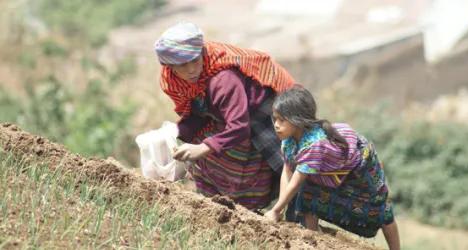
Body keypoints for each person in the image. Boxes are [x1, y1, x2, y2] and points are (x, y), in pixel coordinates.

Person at [154, 21, 295, 210]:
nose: (191, 69)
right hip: (233, 115)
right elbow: (200, 113)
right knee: (208, 149)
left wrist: (204, 147)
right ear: (170, 66)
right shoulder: (176, 81)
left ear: (202, 54)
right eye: (182, 65)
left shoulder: (222, 79)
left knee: (290, 168)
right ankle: (219, 206)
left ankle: (255, 211)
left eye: (195, 61)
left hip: (264, 110)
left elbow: (238, 127)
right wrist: (174, 131)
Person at [263, 86, 400, 250]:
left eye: (282, 120)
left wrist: (275, 211)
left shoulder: (314, 145)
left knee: (381, 208)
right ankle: (311, 241)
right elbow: (287, 171)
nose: (276, 125)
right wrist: (280, 207)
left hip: (361, 164)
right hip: (330, 171)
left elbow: (295, 183)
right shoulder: (289, 140)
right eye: (275, 119)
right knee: (308, 196)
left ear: (297, 120)